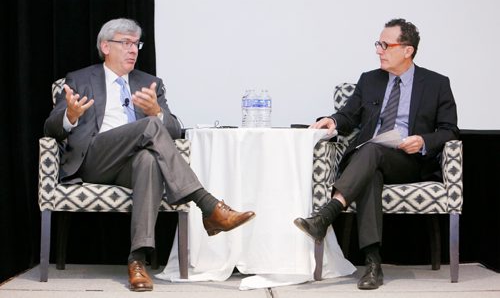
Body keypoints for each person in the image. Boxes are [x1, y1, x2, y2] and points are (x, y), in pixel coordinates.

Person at [44, 18, 256, 292]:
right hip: (94, 158)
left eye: (136, 44)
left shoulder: (150, 82)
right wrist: (70, 116)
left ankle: (137, 261)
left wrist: (157, 111)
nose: (133, 49)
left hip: (129, 165)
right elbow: (50, 127)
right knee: (150, 126)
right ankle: (208, 204)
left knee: (148, 161)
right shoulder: (80, 79)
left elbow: (176, 130)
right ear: (105, 46)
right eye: (126, 43)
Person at [294, 19, 459, 290]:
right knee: (371, 164)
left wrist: (423, 141)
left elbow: (450, 131)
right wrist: (332, 121)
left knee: (372, 151)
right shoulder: (369, 80)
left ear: (407, 51)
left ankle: (327, 214)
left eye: (385, 45)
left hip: (409, 160)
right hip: (369, 159)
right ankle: (373, 264)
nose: (378, 50)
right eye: (378, 44)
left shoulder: (436, 83)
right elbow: (348, 114)